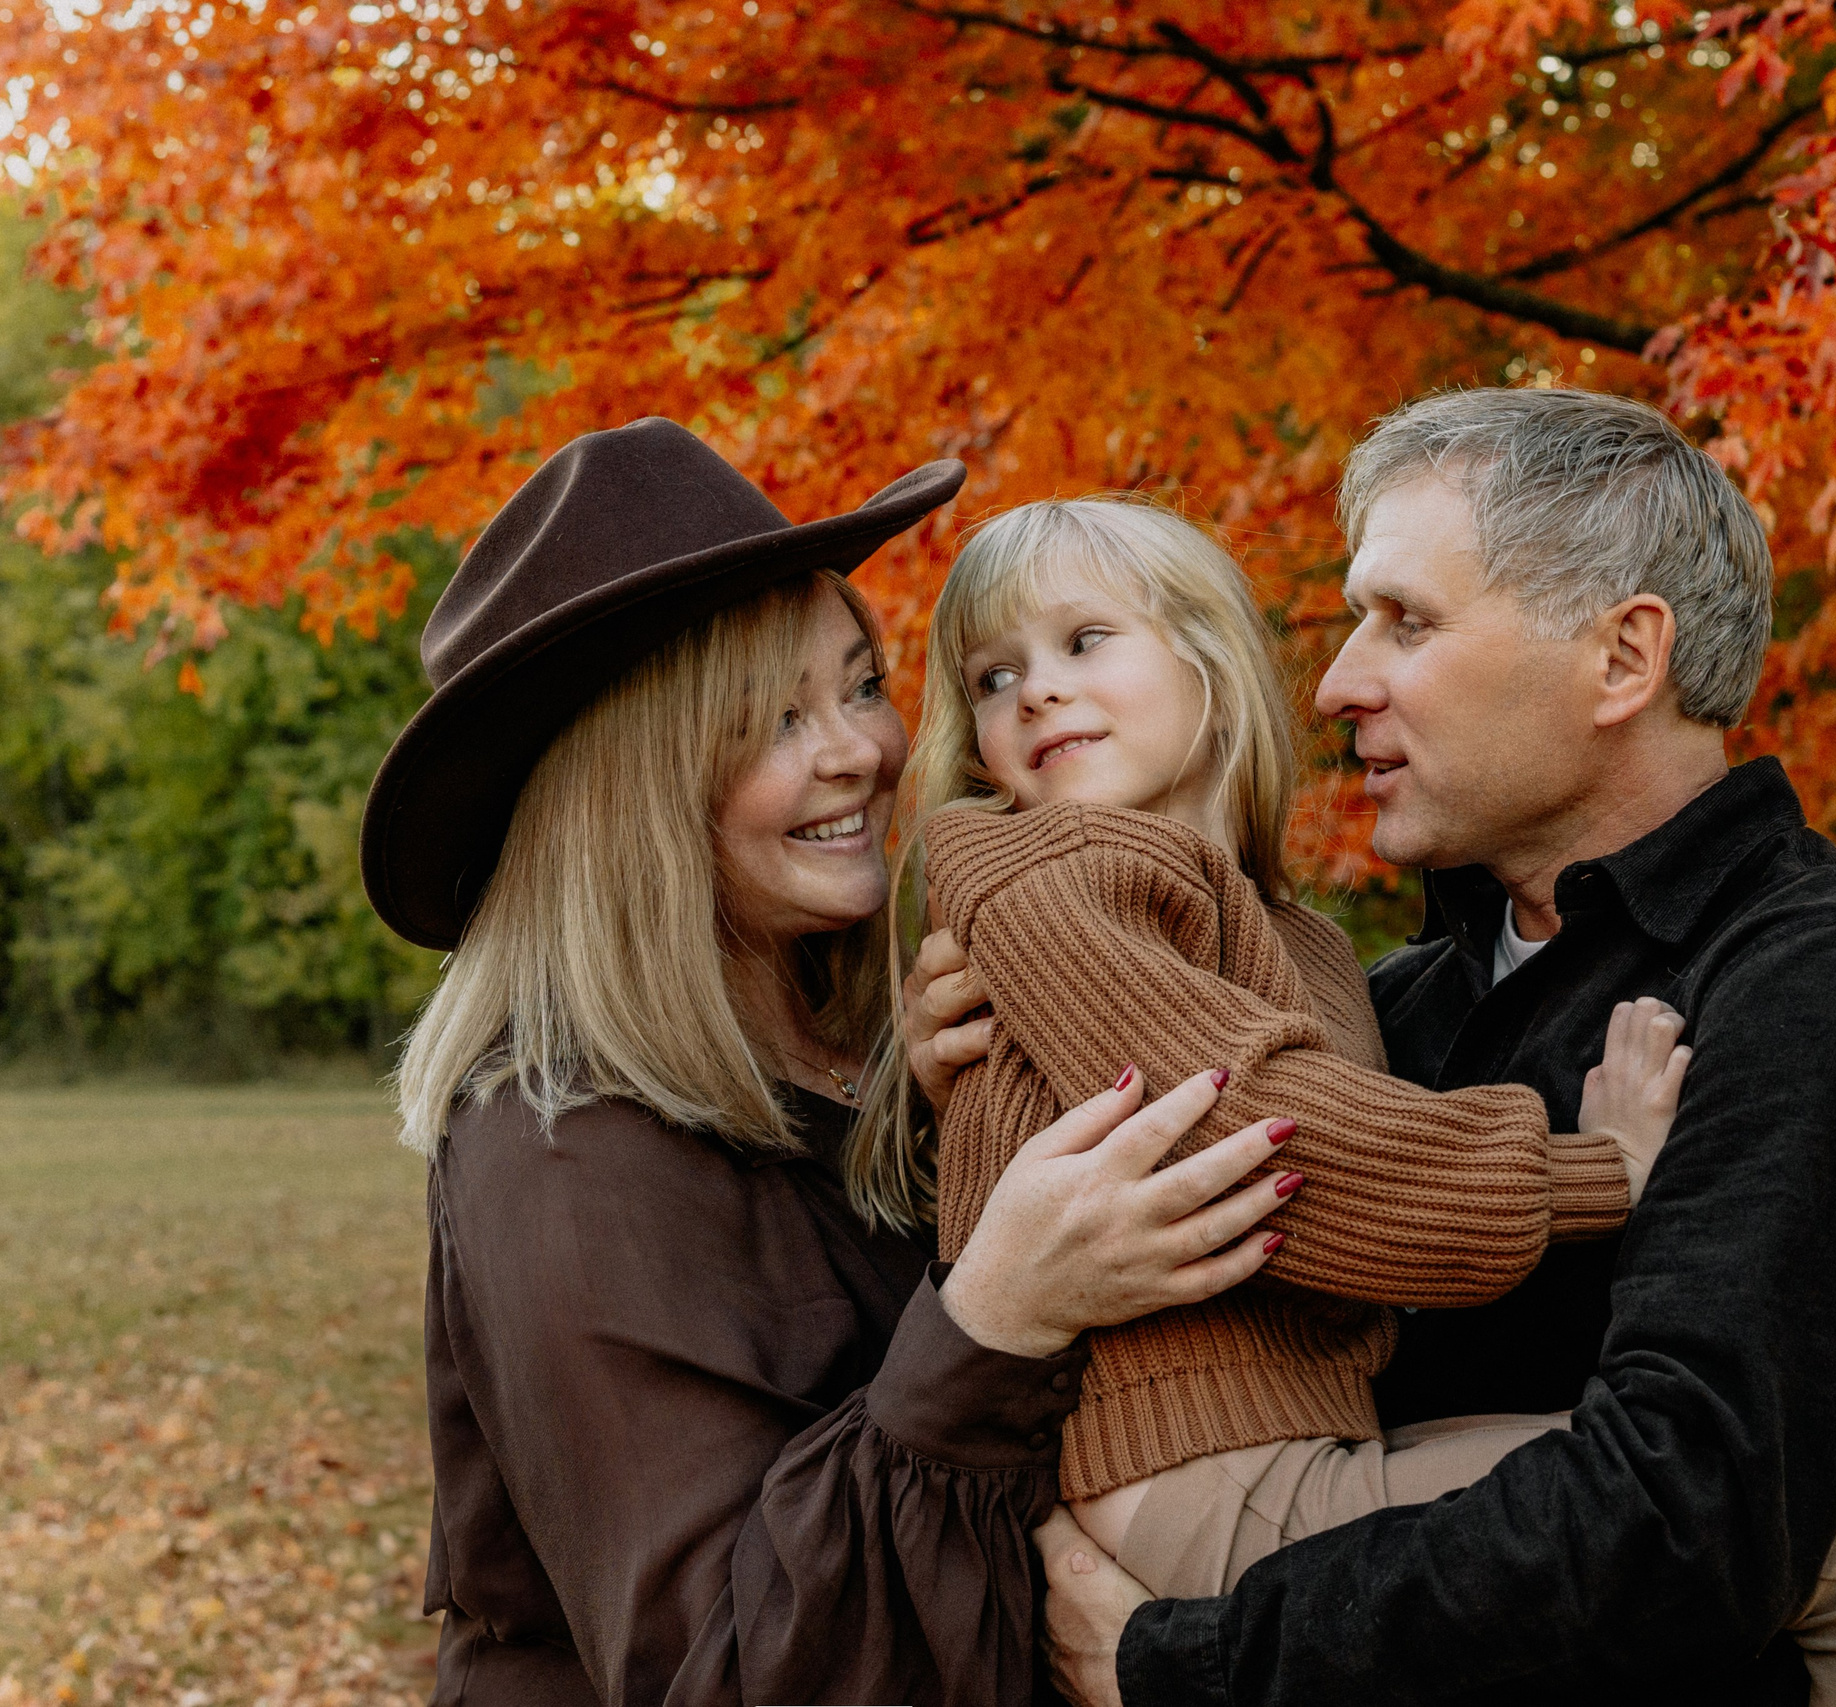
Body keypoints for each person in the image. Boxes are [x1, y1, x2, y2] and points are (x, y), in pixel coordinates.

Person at [900, 491, 1836, 1703]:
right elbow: (1285, 1144)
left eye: (1405, 622)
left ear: (1622, 658)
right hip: (1204, 1463)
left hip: (1282, 1483)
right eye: (993, 678)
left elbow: (1696, 1506)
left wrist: (1186, 1668)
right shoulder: (1376, 984)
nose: (1336, 683)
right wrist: (1598, 1172)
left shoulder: (1820, 978)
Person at [359, 419, 1295, 1707]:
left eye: (858, 686)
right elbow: (730, 1672)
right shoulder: (558, 1147)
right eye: (772, 721)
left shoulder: (889, 1038)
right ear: (635, 792)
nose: (860, 750)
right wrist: (995, 1318)